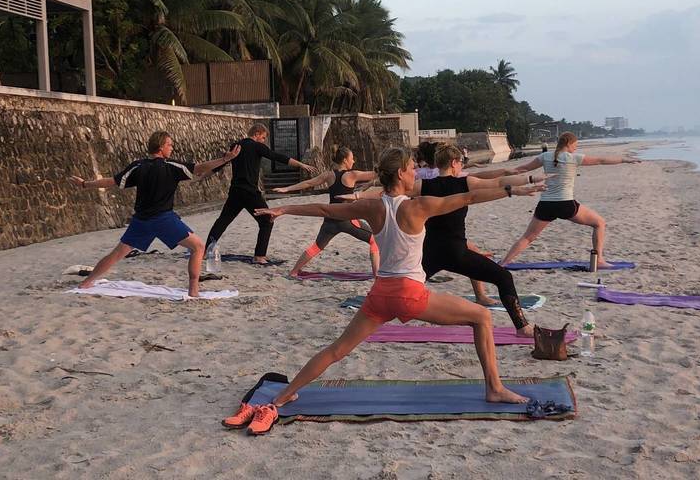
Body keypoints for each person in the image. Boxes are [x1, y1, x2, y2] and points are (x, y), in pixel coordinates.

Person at [222, 147, 543, 435]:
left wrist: (284, 210)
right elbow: (470, 197)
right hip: (409, 294)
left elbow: (325, 210)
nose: (416, 172)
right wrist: (515, 190)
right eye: (412, 168)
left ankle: (282, 397)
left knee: (336, 350)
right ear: (401, 173)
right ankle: (495, 388)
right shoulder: (418, 207)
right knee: (482, 316)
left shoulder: (373, 207)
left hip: (379, 294)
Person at [69, 131, 239, 298]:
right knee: (198, 247)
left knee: (117, 254)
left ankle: (86, 283)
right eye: (169, 145)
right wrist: (225, 159)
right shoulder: (171, 166)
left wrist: (85, 184)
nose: (171, 148)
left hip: (141, 220)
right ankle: (193, 291)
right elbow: (199, 168)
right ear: (160, 147)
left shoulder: (137, 166)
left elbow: (111, 182)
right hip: (163, 219)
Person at [419, 142, 547, 334]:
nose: (462, 166)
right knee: (504, 277)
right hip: (456, 252)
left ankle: (374, 314)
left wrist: (359, 196)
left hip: (429, 251)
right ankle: (522, 327)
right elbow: (497, 182)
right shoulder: (464, 183)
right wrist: (529, 180)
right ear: (454, 162)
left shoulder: (423, 185)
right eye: (461, 162)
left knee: (405, 287)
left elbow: (392, 190)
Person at [498, 132, 640, 268]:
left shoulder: (545, 156)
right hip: (566, 204)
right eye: (575, 145)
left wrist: (501, 174)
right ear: (568, 143)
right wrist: (624, 159)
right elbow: (601, 161)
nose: (576, 148)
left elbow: (522, 169)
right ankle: (600, 260)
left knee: (528, 237)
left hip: (546, 205)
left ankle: (503, 263)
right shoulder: (574, 158)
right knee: (599, 223)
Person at [205, 123, 316, 264]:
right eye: (263, 137)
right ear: (257, 133)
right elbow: (277, 157)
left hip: (235, 192)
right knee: (267, 220)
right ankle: (259, 256)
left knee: (222, 221)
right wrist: (301, 164)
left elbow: (219, 164)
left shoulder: (235, 146)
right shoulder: (257, 146)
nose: (263, 141)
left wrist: (202, 176)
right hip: (250, 192)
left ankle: (205, 252)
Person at [270, 146, 379, 278]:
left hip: (329, 219)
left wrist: (287, 189)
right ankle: (376, 276)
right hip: (347, 220)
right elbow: (377, 173)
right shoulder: (352, 175)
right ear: (345, 160)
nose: (353, 161)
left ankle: (293, 272)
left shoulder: (328, 175)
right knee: (374, 240)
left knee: (316, 246)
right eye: (352, 158)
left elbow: (308, 183)